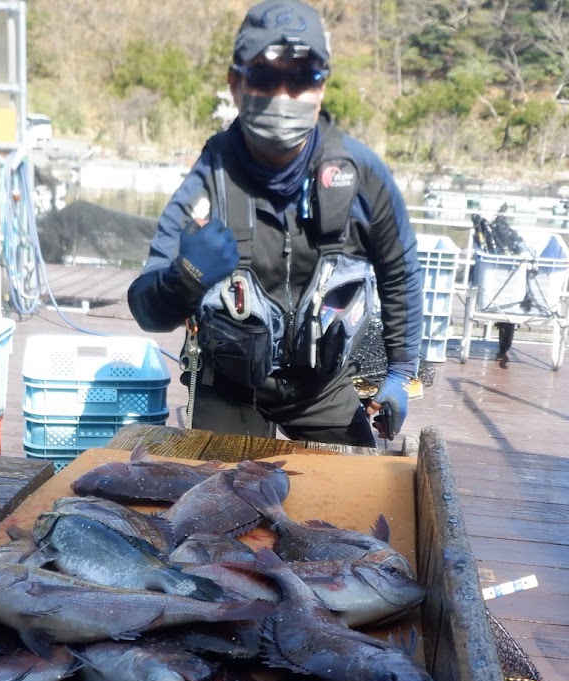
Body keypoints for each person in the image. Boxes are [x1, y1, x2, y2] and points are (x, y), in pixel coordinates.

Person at [127, 1, 422, 446]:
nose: (284, 95)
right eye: (265, 77)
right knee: (218, 489)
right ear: (236, 84)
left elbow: (400, 273)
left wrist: (400, 371)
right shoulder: (207, 183)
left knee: (361, 483)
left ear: (321, 88)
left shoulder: (362, 174)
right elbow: (146, 312)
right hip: (227, 386)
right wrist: (184, 277)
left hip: (322, 388)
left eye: (302, 78)